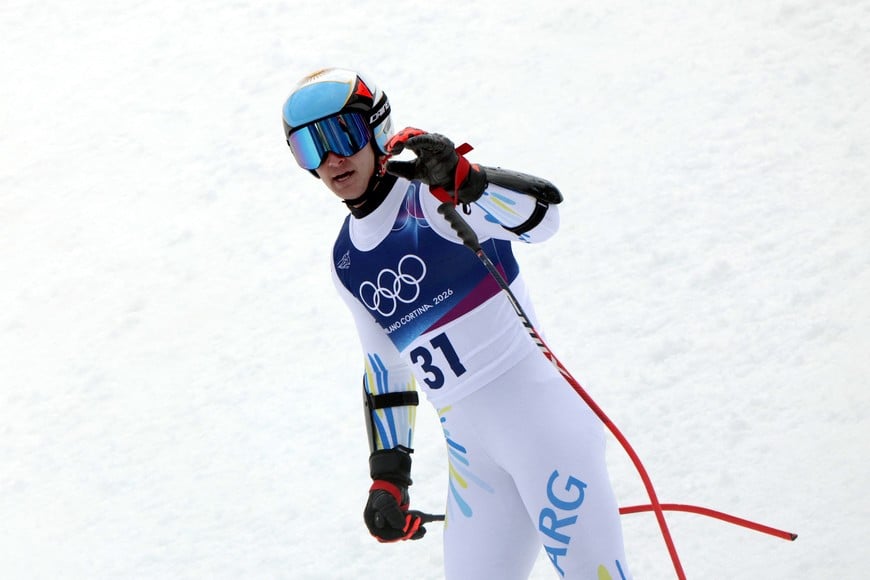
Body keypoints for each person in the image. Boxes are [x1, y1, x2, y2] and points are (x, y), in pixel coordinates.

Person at [282, 67, 632, 579]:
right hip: (474, 464)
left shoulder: (430, 194)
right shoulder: (346, 260)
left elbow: (544, 217)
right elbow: (386, 372)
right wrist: (389, 479)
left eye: (341, 135)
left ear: (378, 130)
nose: (331, 158)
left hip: (546, 436)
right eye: (308, 148)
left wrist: (467, 181)